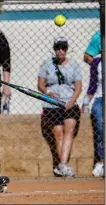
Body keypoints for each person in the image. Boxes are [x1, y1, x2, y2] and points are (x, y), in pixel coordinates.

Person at [38, 37, 82, 177]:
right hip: (52, 104)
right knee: (58, 134)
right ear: (54, 49)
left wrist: (72, 101)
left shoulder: (74, 65)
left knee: (69, 130)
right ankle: (63, 166)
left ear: (67, 49)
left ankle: (62, 165)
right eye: (58, 48)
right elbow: (40, 84)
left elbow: (78, 87)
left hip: (70, 103)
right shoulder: (47, 64)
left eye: (63, 48)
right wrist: (48, 92)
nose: (61, 51)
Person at [82, 30, 103, 177]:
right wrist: (85, 103)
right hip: (101, 98)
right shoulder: (97, 62)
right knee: (101, 126)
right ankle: (102, 162)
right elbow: (92, 85)